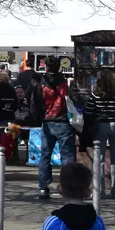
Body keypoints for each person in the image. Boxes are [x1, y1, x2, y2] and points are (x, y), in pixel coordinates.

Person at [38, 71, 78, 201]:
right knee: (67, 156)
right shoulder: (66, 84)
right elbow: (77, 100)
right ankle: (69, 187)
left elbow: (35, 102)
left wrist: (39, 117)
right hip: (64, 122)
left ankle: (43, 187)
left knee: (45, 155)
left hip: (47, 122)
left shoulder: (42, 85)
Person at [87, 72, 115, 199]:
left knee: (100, 159)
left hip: (100, 126)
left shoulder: (94, 95)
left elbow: (89, 112)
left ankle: (99, 191)